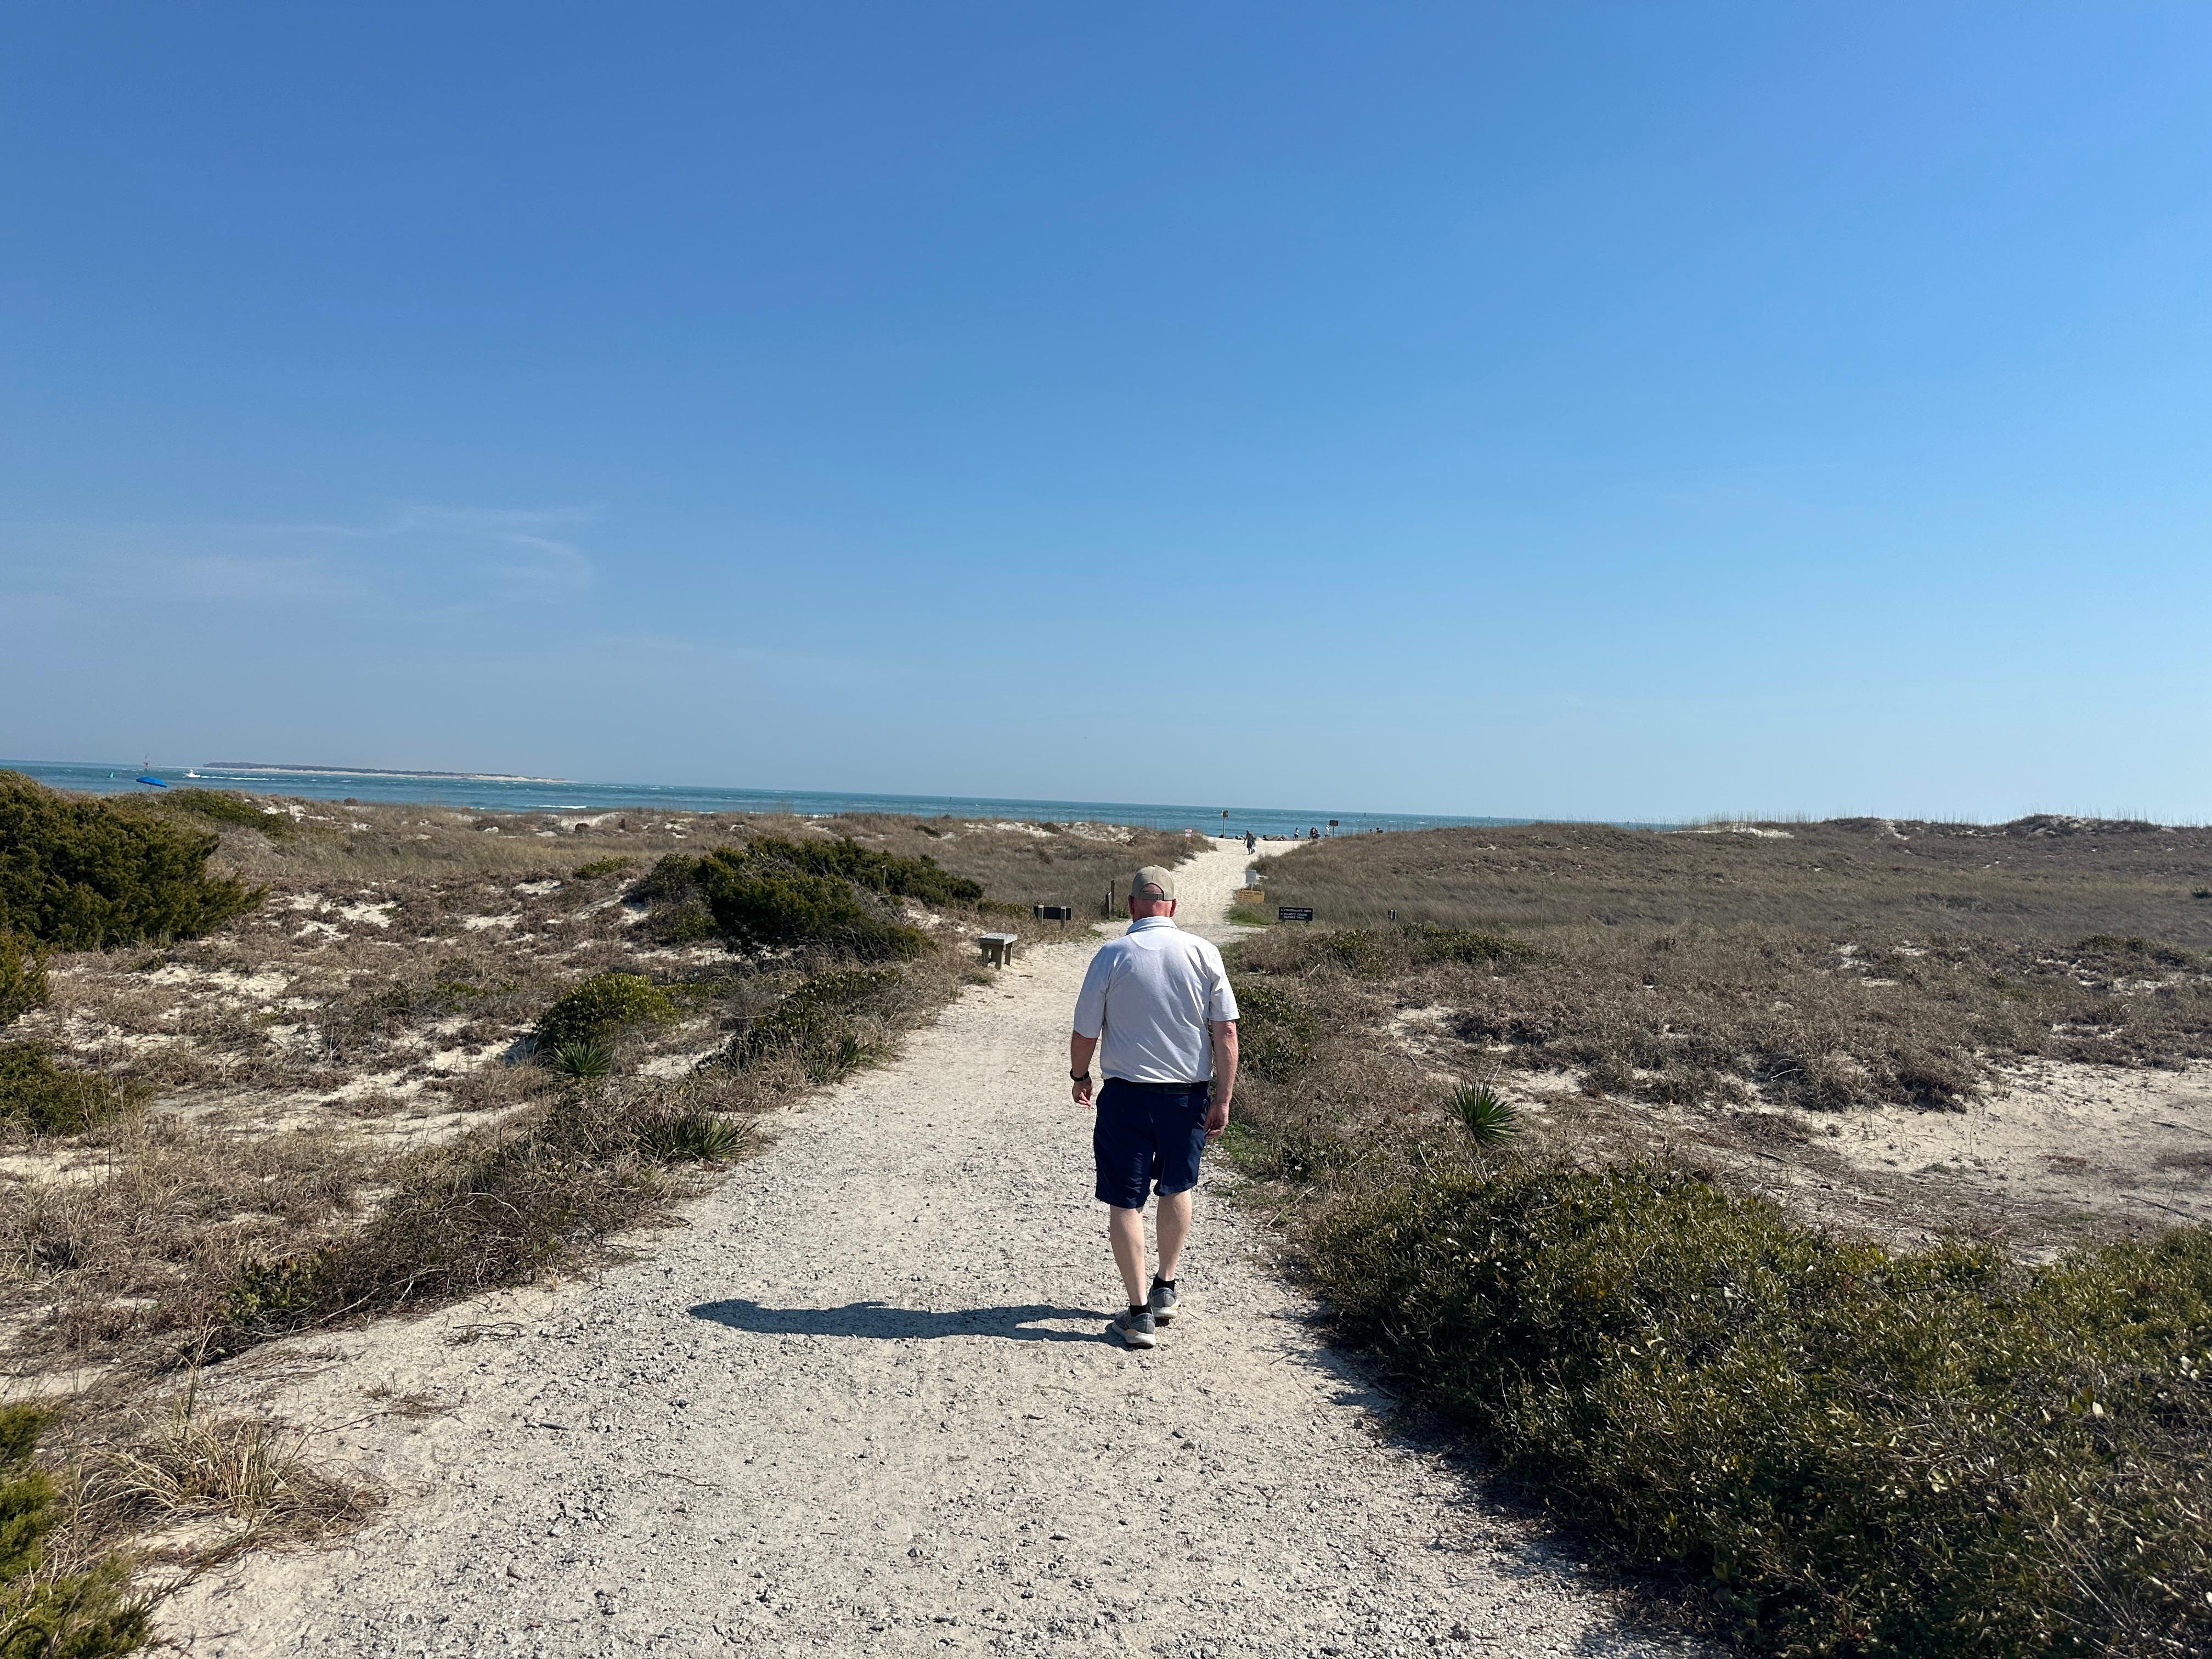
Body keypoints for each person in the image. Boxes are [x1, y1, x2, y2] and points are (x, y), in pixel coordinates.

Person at [1069, 866, 1239, 1349]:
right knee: (1177, 1186)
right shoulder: (1204, 953)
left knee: (1126, 1201)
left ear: (1130, 906)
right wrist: (1223, 1098)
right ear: (1174, 906)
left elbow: (1085, 1031)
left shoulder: (1111, 955)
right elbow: (1226, 1032)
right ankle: (1166, 1286)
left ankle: (1139, 1312)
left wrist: (1080, 1076)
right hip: (1187, 1096)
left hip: (1126, 1096)